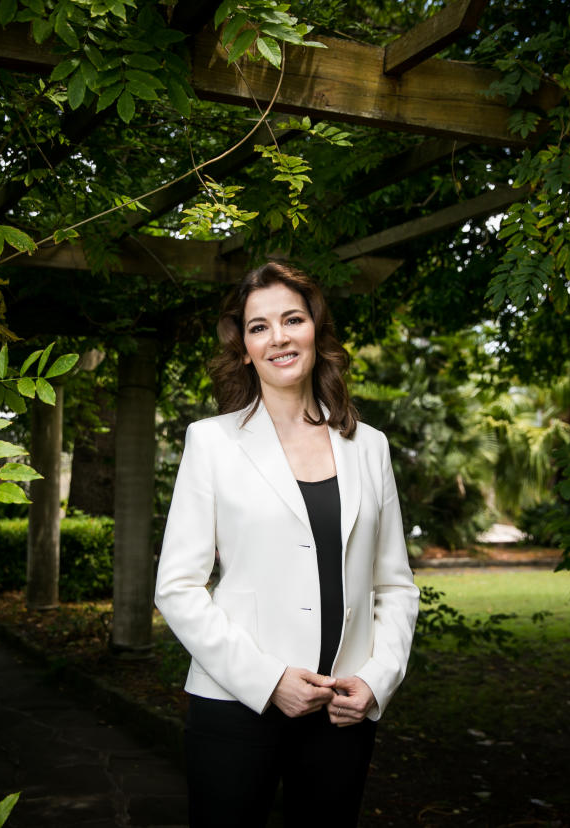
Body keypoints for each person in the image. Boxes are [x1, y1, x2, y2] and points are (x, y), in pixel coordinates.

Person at [154, 261, 419, 827]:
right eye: (259, 327)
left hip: (342, 710)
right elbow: (177, 587)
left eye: (292, 319)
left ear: (316, 332)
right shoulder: (212, 443)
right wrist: (269, 680)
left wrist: (377, 680)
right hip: (236, 702)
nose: (278, 337)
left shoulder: (369, 447)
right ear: (245, 348)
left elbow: (394, 585)